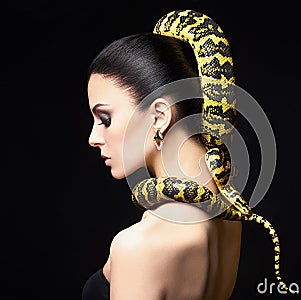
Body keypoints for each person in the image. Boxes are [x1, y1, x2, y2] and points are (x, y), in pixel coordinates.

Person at [81, 15, 243, 300]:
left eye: (105, 119)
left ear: (159, 116)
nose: (93, 138)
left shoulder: (139, 247)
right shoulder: (227, 216)